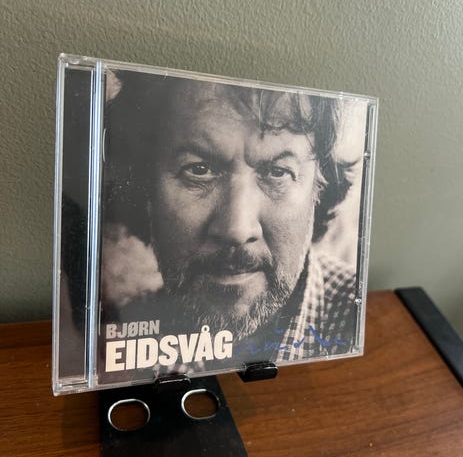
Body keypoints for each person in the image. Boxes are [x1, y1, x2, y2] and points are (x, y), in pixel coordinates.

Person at [101, 71, 360, 375]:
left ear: (320, 188)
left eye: (277, 172)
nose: (237, 229)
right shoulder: (117, 340)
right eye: (198, 170)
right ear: (146, 190)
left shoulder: (360, 318)